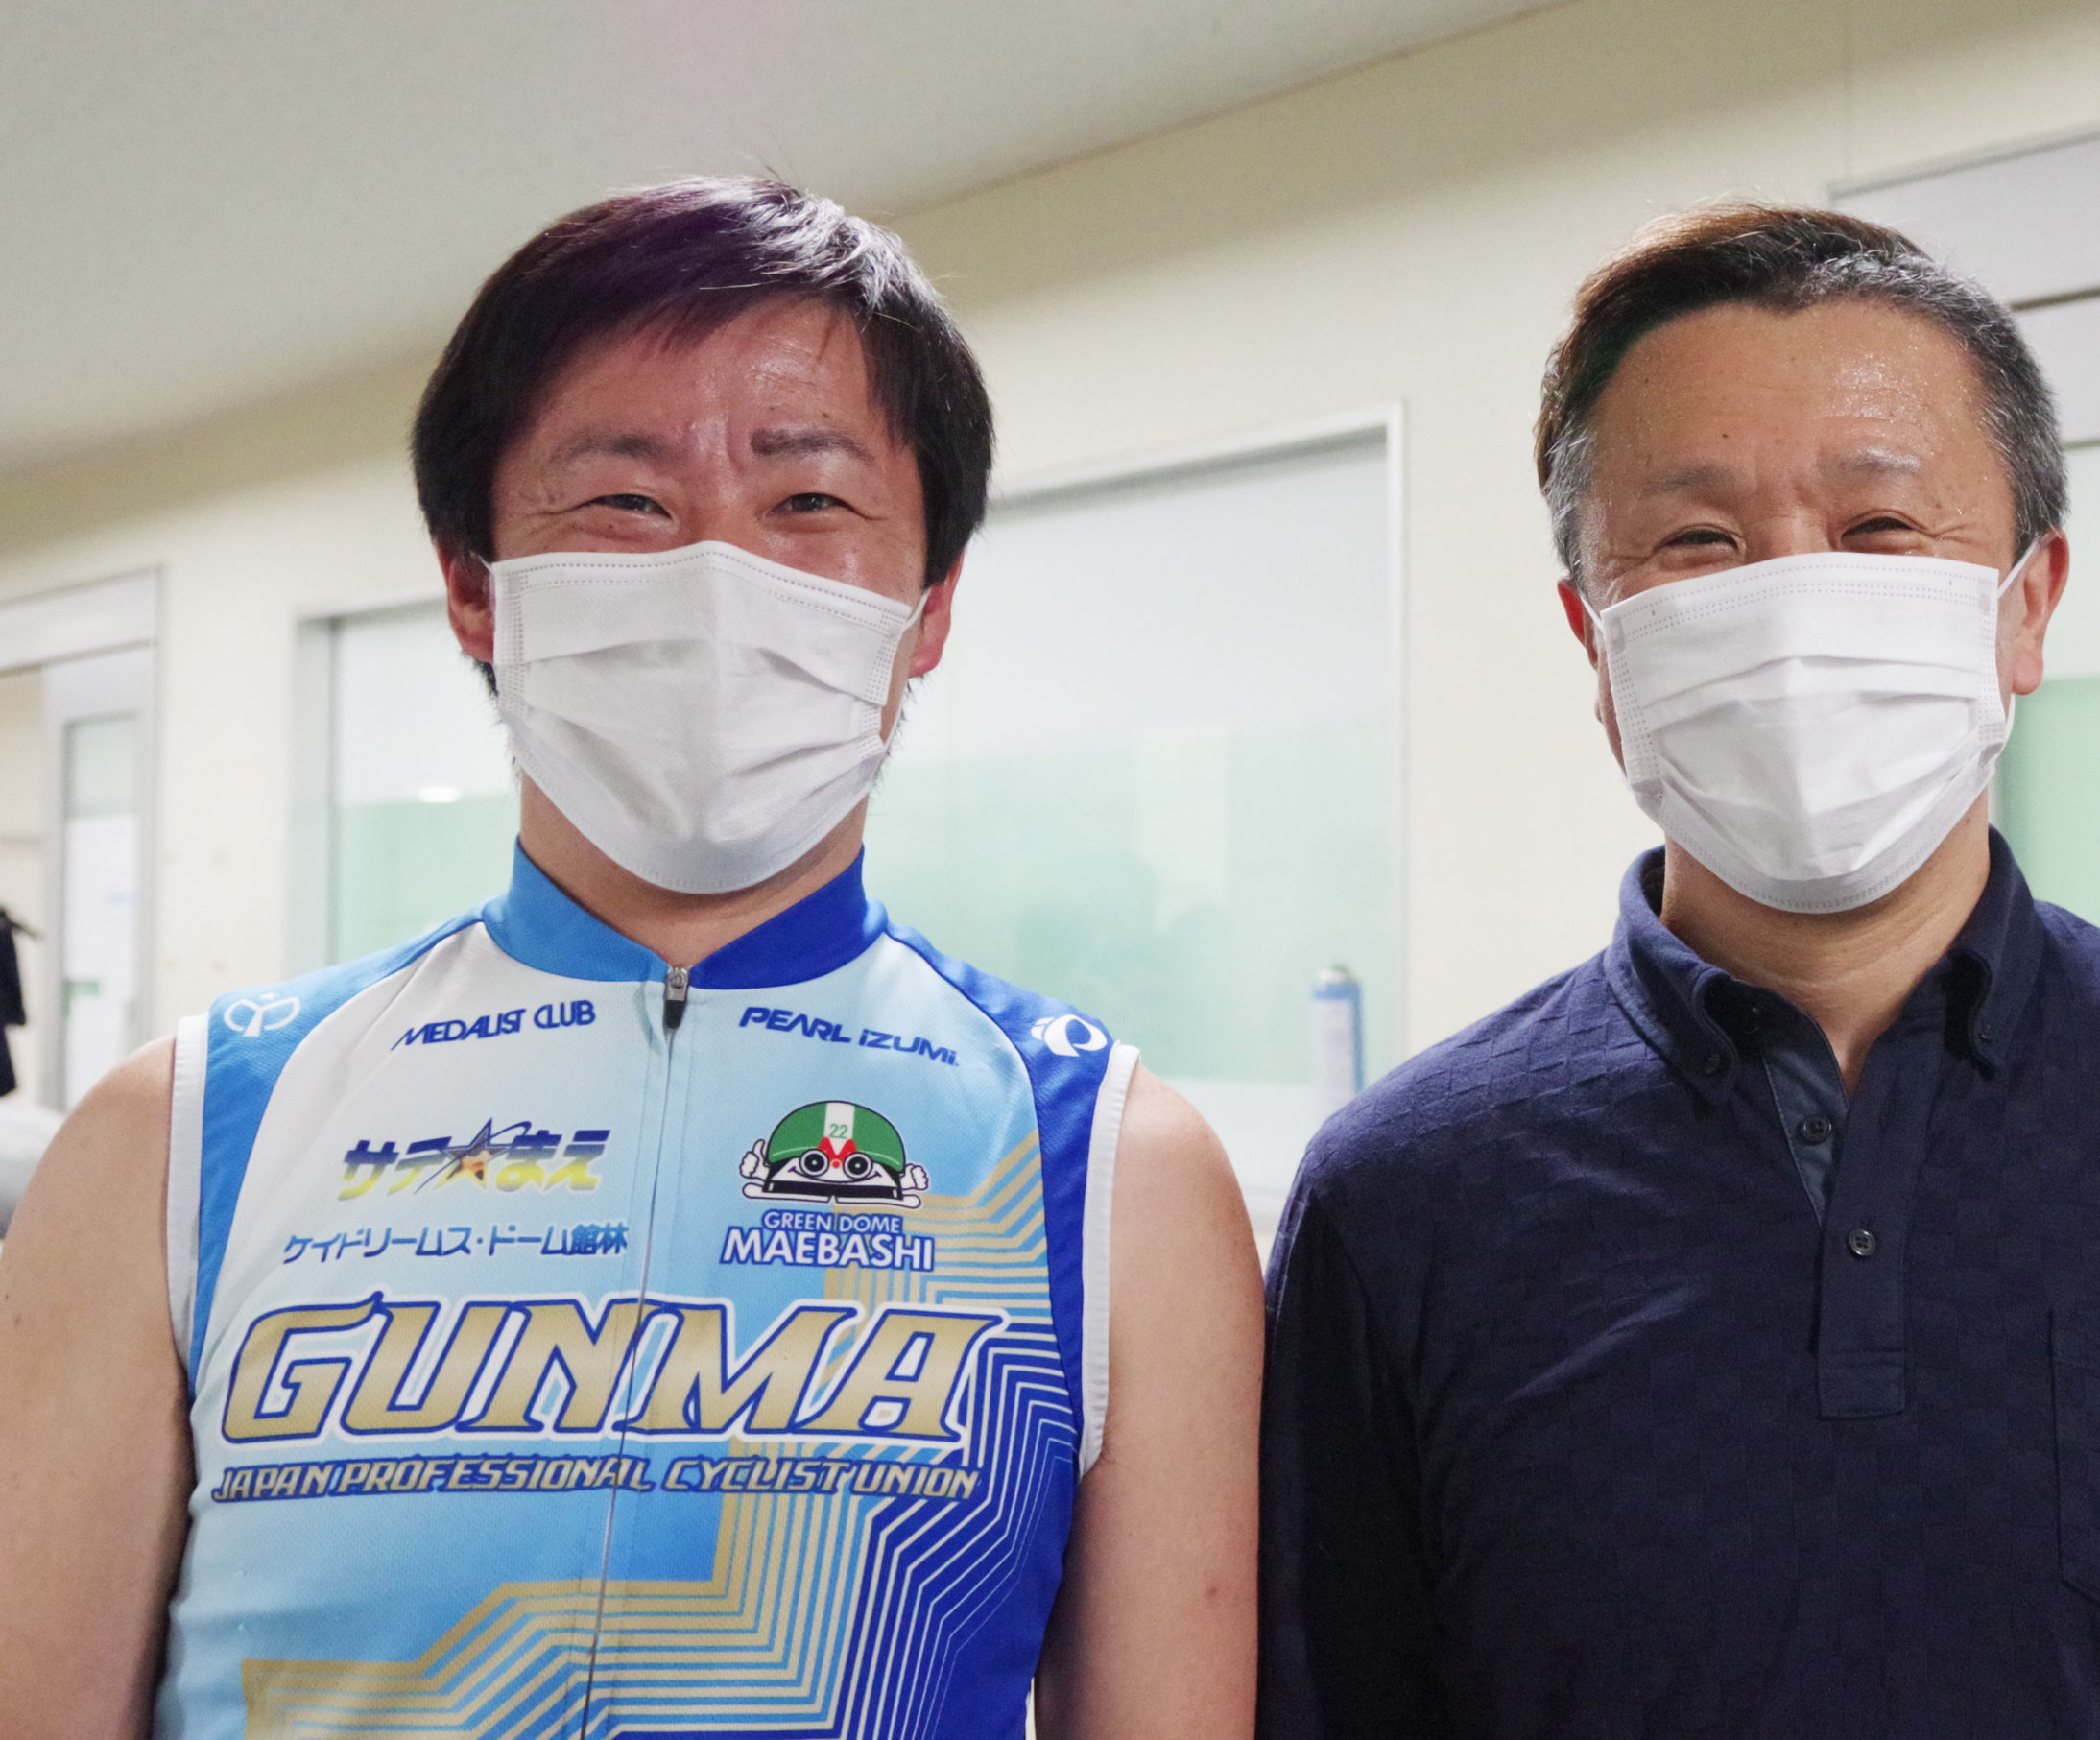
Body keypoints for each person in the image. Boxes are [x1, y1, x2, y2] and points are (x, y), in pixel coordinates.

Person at [0, 179, 1260, 1740]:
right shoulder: (182, 1134)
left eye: (810, 501)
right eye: (625, 501)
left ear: (927, 608)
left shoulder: (1108, 1162)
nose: (717, 570)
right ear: (475, 588)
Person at [1259, 205, 2100, 1739]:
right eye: (1700, 541)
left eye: (1881, 528)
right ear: (1595, 642)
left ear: (2028, 606)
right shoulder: (1404, 1193)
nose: (1792, 607)